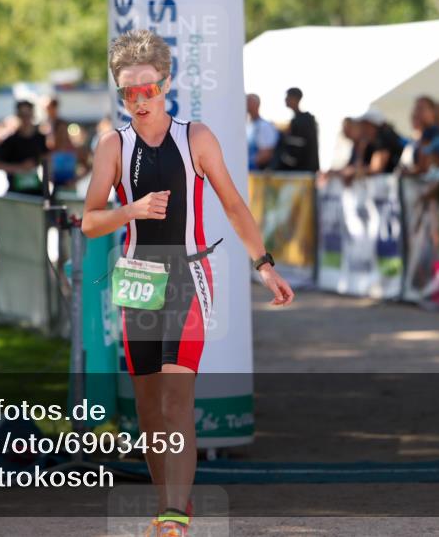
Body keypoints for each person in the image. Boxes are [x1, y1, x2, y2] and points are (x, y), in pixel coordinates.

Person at [82, 29, 293, 537]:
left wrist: (263, 264)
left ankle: (175, 514)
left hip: (187, 273)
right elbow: (89, 220)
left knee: (177, 398)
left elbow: (234, 205)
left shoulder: (195, 137)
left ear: (167, 84)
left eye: (148, 88)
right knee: (150, 410)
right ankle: (168, 507)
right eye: (128, 91)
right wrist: (128, 209)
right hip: (137, 275)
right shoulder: (113, 145)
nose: (139, 99)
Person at [0, 100, 48, 195]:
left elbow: (47, 160)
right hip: (16, 192)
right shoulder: (10, 141)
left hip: (37, 192)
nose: (26, 119)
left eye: (28, 115)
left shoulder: (41, 138)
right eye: (23, 115)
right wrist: (19, 168)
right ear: (18, 116)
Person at [275, 87, 319, 172]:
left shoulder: (304, 121)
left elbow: (298, 151)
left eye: (288, 97)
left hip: (302, 172)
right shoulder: (299, 120)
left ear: (295, 99)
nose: (286, 100)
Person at [245, 93, 279, 170]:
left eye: (249, 102)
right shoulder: (247, 125)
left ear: (256, 104)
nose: (246, 104)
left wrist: (247, 164)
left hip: (256, 174)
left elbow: (266, 154)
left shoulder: (264, 126)